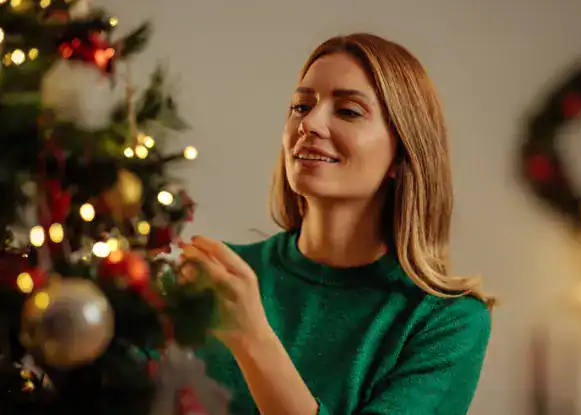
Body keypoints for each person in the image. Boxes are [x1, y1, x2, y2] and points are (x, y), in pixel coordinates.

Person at [179, 33, 495, 415]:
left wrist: (253, 340)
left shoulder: (446, 322)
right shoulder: (219, 278)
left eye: (347, 111)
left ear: (402, 153)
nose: (309, 123)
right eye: (300, 105)